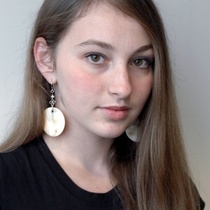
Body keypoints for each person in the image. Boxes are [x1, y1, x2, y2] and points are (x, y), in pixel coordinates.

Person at [0, 0, 205, 209]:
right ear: (46, 60)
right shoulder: (5, 182)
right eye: (96, 57)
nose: (123, 88)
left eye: (140, 61)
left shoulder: (174, 189)